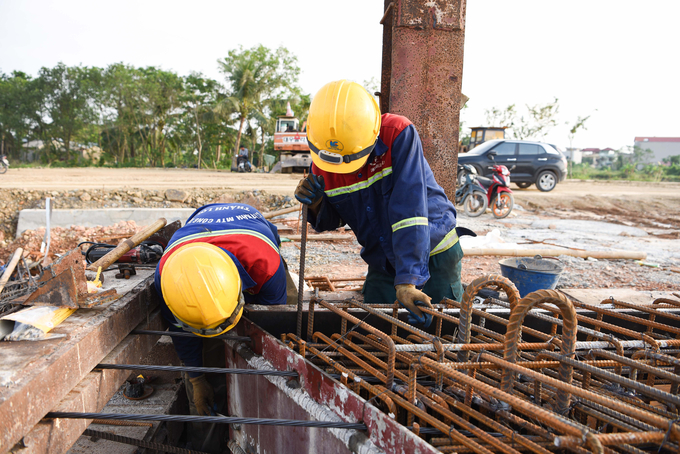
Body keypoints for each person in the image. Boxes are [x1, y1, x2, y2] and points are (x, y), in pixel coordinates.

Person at [295, 80, 466, 327]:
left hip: (433, 253)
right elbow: (338, 217)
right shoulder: (324, 158)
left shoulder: (398, 134)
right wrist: (317, 203)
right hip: (384, 261)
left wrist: (408, 281)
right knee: (373, 332)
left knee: (443, 333)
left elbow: (410, 213)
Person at [154, 202, 291, 451]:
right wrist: (197, 379)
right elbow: (181, 333)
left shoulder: (267, 266)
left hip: (254, 239)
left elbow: (273, 326)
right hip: (199, 233)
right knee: (205, 381)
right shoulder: (167, 278)